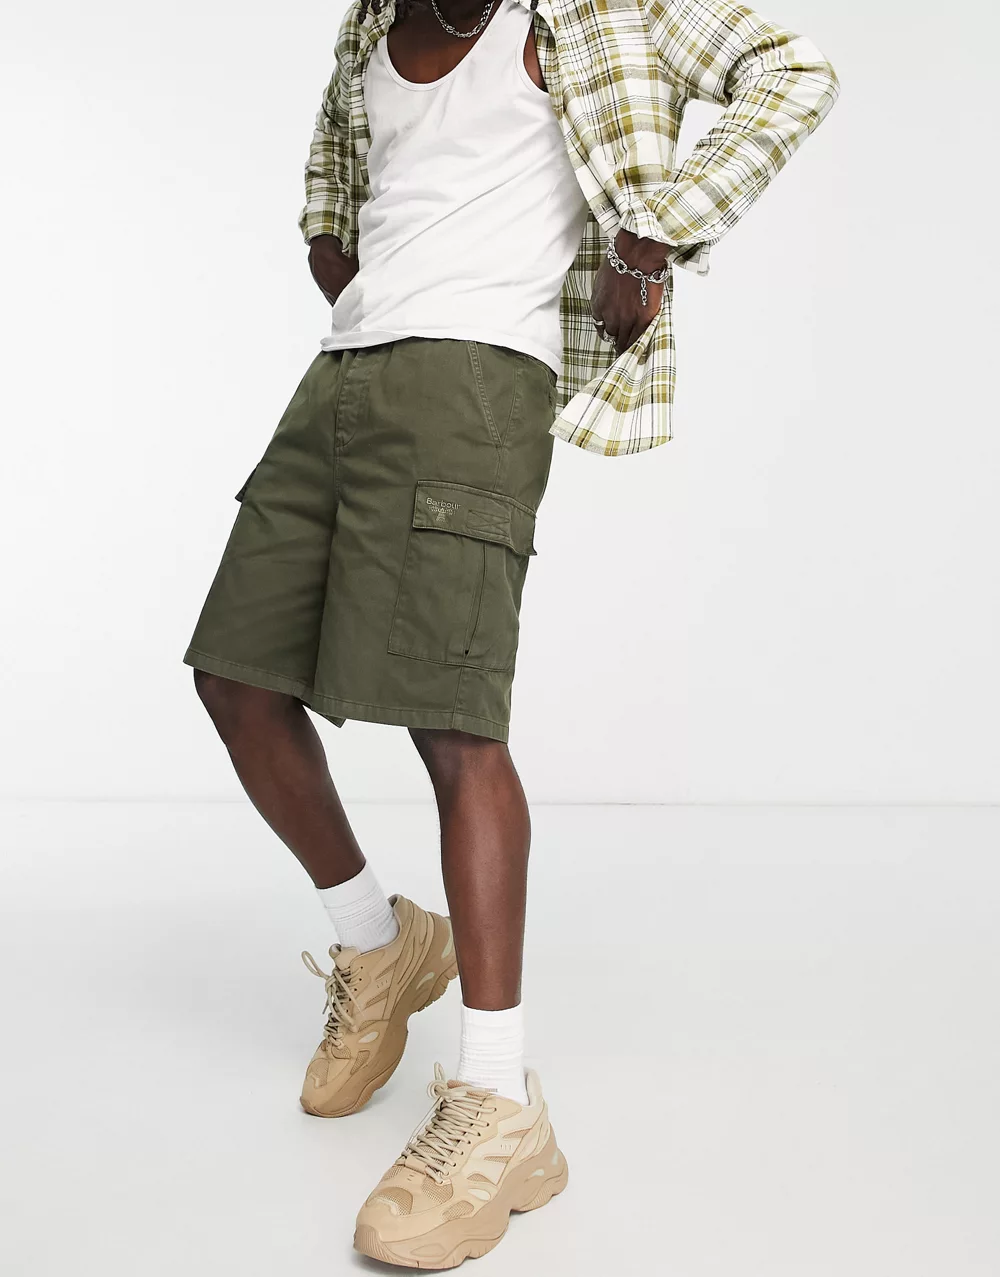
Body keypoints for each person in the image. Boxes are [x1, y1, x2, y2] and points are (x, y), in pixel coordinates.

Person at [182, 0, 839, 1265]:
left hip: (478, 381)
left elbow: (792, 70)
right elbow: (335, 163)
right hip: (343, 372)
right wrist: (333, 246)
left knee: (453, 724)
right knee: (236, 676)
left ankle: (498, 1100)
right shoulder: (373, 21)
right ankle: (381, 945)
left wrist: (652, 233)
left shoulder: (596, 12)